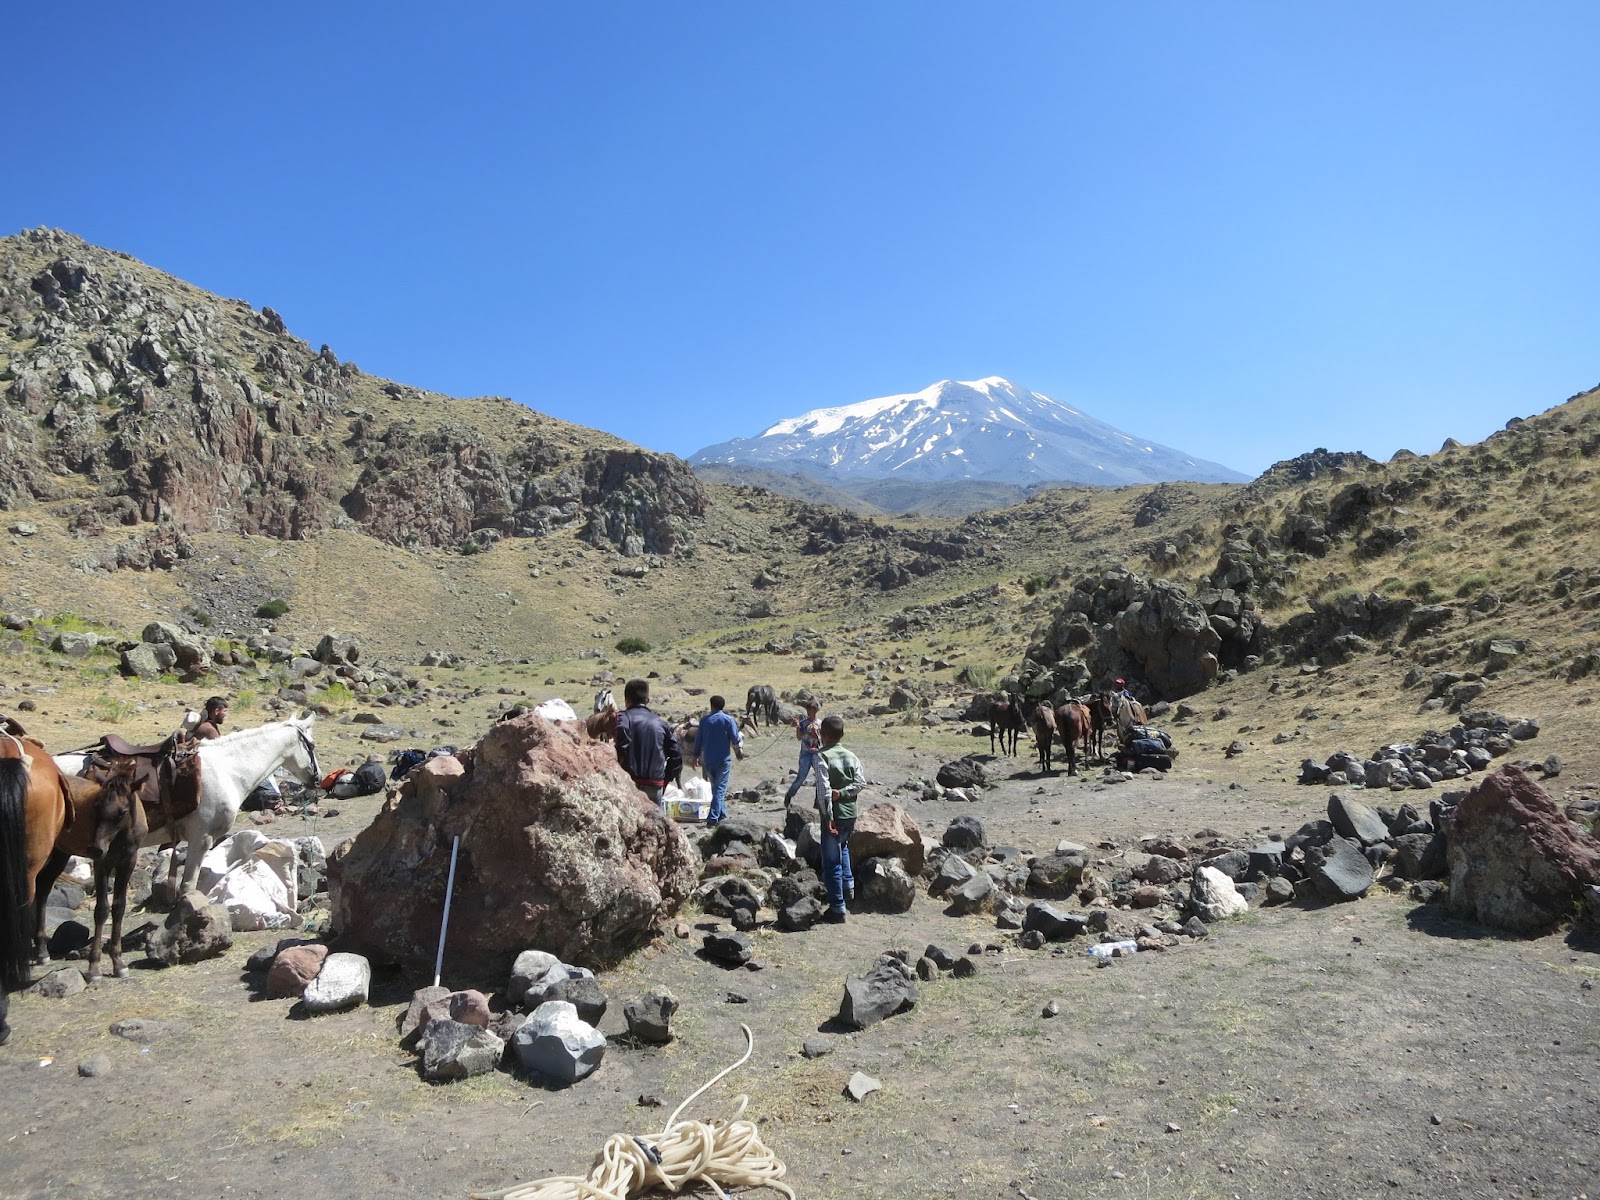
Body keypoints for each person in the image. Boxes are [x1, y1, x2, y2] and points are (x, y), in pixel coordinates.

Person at [810, 714, 864, 924]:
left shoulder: (821, 756)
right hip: (851, 813)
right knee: (844, 847)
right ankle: (848, 886)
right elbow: (861, 782)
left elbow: (824, 791)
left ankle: (837, 908)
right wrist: (843, 793)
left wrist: (828, 816)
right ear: (842, 734)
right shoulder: (852, 756)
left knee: (831, 862)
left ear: (822, 735)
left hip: (834, 815)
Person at [614, 678, 680, 805]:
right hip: (655, 784)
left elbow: (621, 735)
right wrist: (665, 780)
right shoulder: (661, 724)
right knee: (657, 822)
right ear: (647, 700)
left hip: (630, 783)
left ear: (626, 700)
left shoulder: (623, 717)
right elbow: (676, 756)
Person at [692, 695, 743, 825]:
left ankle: (722, 815)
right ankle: (713, 818)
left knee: (716, 789)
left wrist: (695, 756)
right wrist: (739, 750)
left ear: (711, 705)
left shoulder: (704, 721)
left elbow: (698, 740)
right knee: (720, 790)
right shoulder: (728, 720)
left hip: (708, 760)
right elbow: (735, 738)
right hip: (723, 760)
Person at [782, 693, 823, 809]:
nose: (810, 712)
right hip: (806, 753)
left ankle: (818, 801)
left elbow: (823, 739)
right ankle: (789, 796)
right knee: (801, 776)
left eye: (813, 710)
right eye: (809, 710)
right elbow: (799, 737)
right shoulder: (804, 723)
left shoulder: (820, 724)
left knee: (820, 777)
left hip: (817, 753)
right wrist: (797, 727)